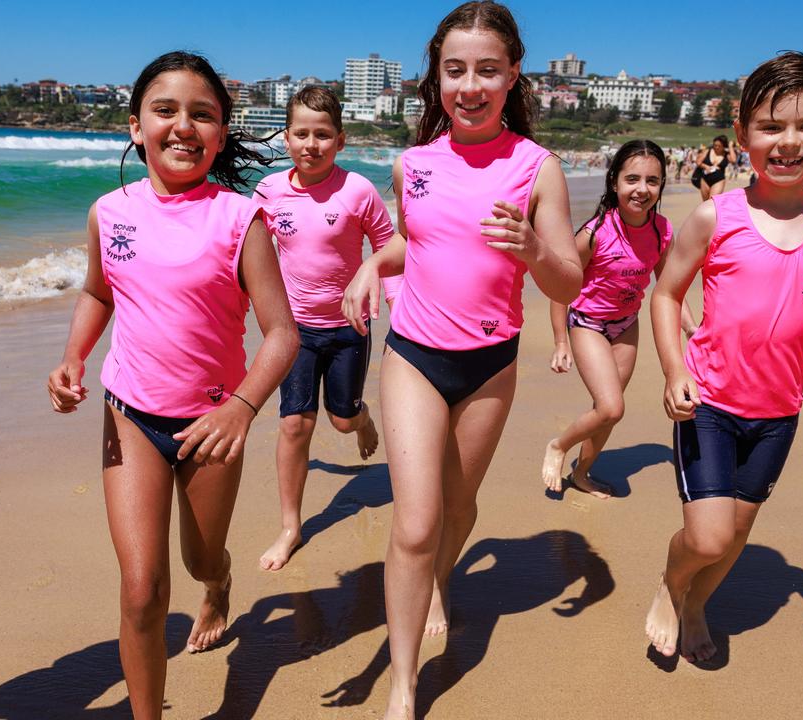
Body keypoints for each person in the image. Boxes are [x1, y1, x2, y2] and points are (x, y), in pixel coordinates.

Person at [341, 3, 582, 716]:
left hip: (489, 364)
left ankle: (442, 578)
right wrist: (368, 267)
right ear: (436, 78)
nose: (469, 85)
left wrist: (534, 251)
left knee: (458, 507)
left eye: (485, 70)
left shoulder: (538, 168)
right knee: (414, 522)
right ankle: (404, 682)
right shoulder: (411, 163)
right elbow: (420, 242)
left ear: (512, 75)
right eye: (454, 71)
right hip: (414, 355)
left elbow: (568, 277)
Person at [45, 52, 298, 720]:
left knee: (199, 559)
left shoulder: (239, 220)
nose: (183, 126)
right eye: (166, 110)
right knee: (141, 589)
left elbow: (282, 333)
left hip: (213, 424)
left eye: (202, 114)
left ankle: (218, 586)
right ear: (136, 126)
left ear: (219, 135)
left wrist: (243, 407)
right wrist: (74, 356)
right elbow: (100, 291)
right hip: (129, 413)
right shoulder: (109, 211)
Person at [644, 51, 803, 663]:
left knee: (738, 534)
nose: (789, 141)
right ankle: (673, 586)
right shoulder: (714, 217)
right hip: (710, 401)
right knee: (708, 535)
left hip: (778, 411)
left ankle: (699, 606)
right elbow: (667, 293)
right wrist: (675, 369)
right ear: (742, 134)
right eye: (772, 127)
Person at [256, 86, 399, 571]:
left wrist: (398, 309)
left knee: (340, 419)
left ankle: (361, 417)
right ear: (286, 137)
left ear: (339, 140)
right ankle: (291, 527)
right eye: (301, 133)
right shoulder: (269, 192)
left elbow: (389, 248)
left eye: (322, 135)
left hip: (347, 326)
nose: (310, 144)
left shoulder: (357, 190)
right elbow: (243, 255)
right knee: (295, 423)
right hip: (293, 330)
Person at [541, 140, 691, 498]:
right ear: (614, 182)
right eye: (633, 179)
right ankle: (559, 446)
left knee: (605, 412)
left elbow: (670, 287)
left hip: (626, 326)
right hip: (588, 324)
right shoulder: (594, 234)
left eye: (652, 181)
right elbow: (561, 287)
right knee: (612, 407)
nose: (642, 190)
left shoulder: (661, 231)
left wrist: (692, 327)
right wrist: (560, 341)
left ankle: (583, 474)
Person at [695, 135, 736, 200]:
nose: (716, 147)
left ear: (724, 146)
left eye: (719, 146)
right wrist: (706, 166)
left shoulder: (726, 154)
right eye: (715, 145)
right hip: (705, 179)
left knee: (712, 201)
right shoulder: (708, 151)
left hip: (718, 180)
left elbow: (733, 160)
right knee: (705, 202)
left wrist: (730, 146)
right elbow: (698, 162)